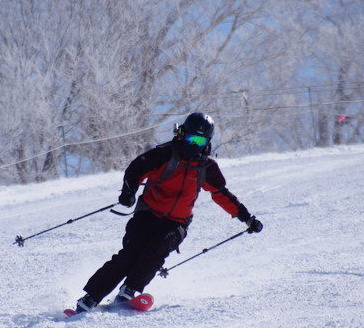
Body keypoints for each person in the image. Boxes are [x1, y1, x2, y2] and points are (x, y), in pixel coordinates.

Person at [71, 112, 263, 313]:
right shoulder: (164, 154)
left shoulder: (206, 167)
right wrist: (129, 192)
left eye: (200, 140)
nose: (194, 144)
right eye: (191, 138)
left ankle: (130, 291)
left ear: (208, 141)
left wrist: (247, 218)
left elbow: (222, 194)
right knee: (130, 254)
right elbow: (135, 169)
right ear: (182, 134)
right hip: (148, 214)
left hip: (177, 223)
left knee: (156, 250)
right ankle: (91, 297)